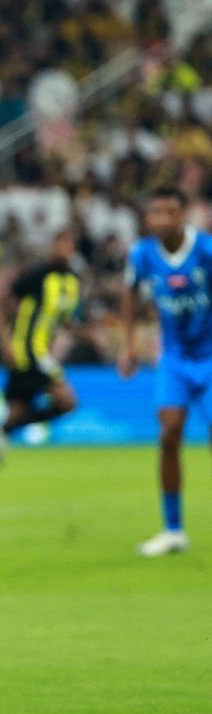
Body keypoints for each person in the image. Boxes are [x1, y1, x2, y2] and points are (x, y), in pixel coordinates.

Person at [120, 186, 212, 556]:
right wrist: (128, 344)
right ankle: (173, 529)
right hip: (173, 359)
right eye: (155, 212)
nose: (161, 219)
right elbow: (129, 293)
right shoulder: (142, 254)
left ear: (182, 215)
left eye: (169, 212)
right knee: (169, 432)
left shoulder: (205, 250)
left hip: (209, 356)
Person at [0, 228, 82, 437]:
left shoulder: (73, 281)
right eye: (61, 244)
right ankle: (2, 430)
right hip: (27, 352)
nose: (64, 250)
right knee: (68, 401)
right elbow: (1, 301)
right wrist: (4, 339)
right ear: (53, 247)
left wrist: (82, 330)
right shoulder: (39, 275)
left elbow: (64, 320)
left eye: (69, 246)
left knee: (15, 414)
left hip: (42, 353)